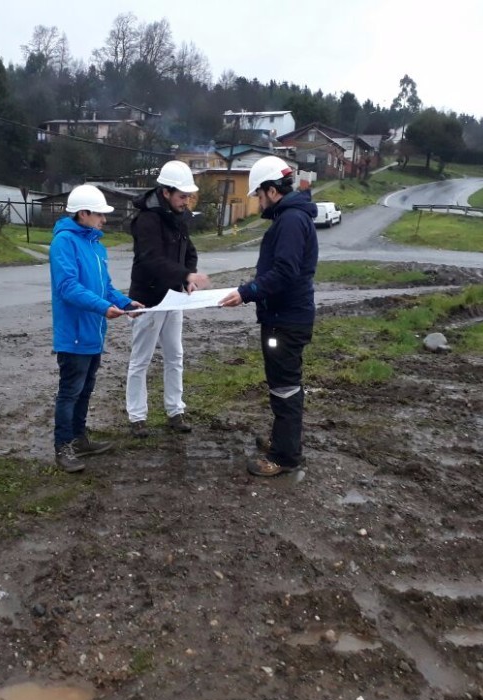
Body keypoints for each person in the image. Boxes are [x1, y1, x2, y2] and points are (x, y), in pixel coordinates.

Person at [219, 156, 318, 477]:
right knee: (282, 382)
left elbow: (285, 272)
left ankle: (285, 457)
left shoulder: (290, 220)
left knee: (285, 385)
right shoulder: (292, 217)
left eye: (258, 195)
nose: (258, 202)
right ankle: (282, 441)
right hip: (286, 316)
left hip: (286, 320)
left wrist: (248, 291)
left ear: (272, 191)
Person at [50, 184, 144, 473]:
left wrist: (127, 303)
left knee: (86, 389)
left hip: (93, 333)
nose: (104, 220)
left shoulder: (95, 245)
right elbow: (68, 288)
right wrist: (103, 308)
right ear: (83, 213)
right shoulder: (64, 243)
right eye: (100, 215)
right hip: (74, 334)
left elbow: (105, 287)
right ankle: (62, 446)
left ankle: (79, 438)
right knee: (70, 391)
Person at [125, 160, 210, 438]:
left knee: (176, 356)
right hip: (147, 299)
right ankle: (137, 416)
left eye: (188, 197)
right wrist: (185, 276)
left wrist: (189, 276)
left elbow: (190, 252)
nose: (186, 201)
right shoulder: (146, 220)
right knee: (141, 359)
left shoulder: (179, 217)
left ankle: (175, 410)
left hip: (175, 298)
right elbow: (152, 260)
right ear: (165, 192)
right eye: (182, 196)